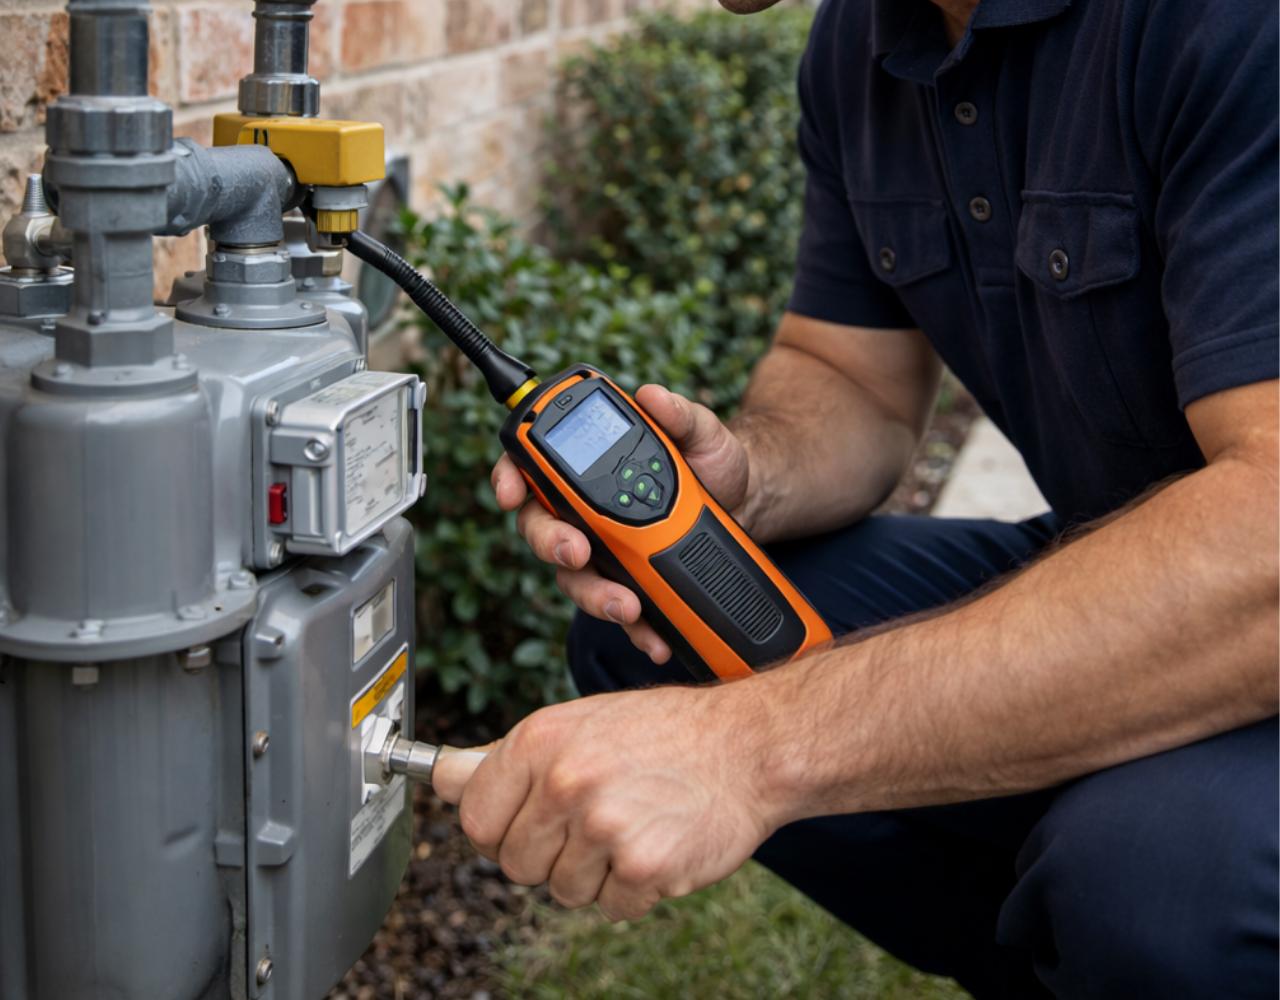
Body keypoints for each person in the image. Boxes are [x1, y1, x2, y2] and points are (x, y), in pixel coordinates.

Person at [435, 0, 1279, 995]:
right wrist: (750, 474)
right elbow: (851, 378)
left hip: (1250, 570)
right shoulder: (864, 42)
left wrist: (755, 749)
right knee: (670, 638)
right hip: (1148, 558)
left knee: (1151, 882)